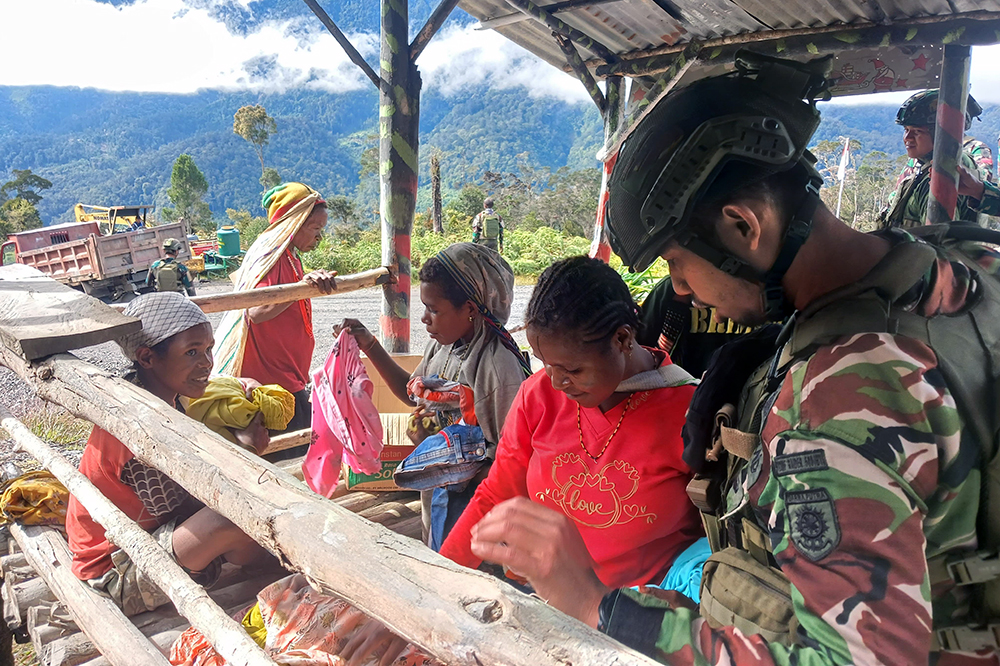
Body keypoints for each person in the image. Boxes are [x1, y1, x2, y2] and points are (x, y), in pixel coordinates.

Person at [467, 52, 1000, 665]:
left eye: (675, 263)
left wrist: (598, 606)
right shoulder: (957, 267)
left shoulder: (843, 393)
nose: (683, 291)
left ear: (743, 226)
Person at [66, 292, 272, 617]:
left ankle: (263, 561)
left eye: (208, 349)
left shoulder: (157, 394)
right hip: (116, 571)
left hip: (149, 538)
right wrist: (246, 450)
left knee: (248, 517)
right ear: (147, 357)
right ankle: (272, 570)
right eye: (192, 352)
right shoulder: (138, 433)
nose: (207, 363)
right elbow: (198, 503)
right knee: (233, 516)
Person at [337, 242, 530, 546]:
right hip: (442, 488)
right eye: (425, 307)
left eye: (434, 309)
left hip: (478, 506)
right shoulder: (443, 345)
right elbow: (413, 393)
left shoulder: (497, 366)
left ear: (469, 308)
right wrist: (370, 344)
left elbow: (512, 461)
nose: (426, 318)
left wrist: (442, 451)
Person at [213, 182, 337, 455]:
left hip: (287, 379)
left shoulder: (289, 255)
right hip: (270, 386)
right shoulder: (273, 256)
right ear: (294, 223)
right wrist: (300, 288)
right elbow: (256, 311)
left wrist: (303, 284)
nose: (319, 237)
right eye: (315, 229)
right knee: (287, 460)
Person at [878, 88, 992, 228]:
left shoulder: (944, 173)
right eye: (906, 130)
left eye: (917, 131)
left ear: (941, 135)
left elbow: (938, 241)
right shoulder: (923, 167)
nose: (907, 138)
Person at [636, 275, 754, 377]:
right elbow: (642, 350)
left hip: (750, 394)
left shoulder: (762, 294)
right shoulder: (672, 292)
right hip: (682, 392)